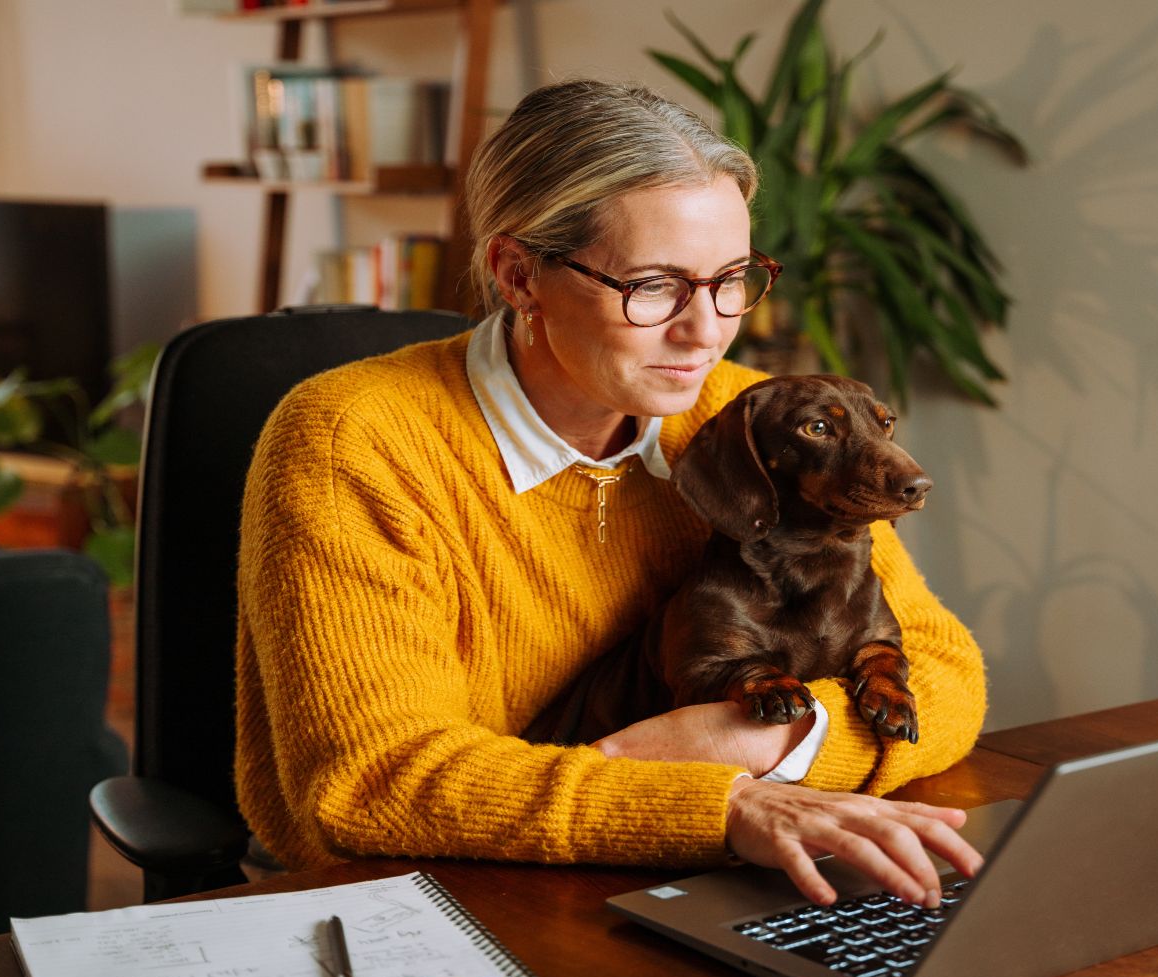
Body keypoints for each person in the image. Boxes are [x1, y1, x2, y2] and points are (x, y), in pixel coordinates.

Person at [235, 79, 988, 908]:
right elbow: (373, 781)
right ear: (519, 275)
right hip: (421, 894)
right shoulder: (356, 439)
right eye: (655, 285)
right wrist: (713, 798)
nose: (705, 329)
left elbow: (947, 676)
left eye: (731, 278)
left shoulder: (741, 420)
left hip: (685, 878)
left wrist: (757, 741)